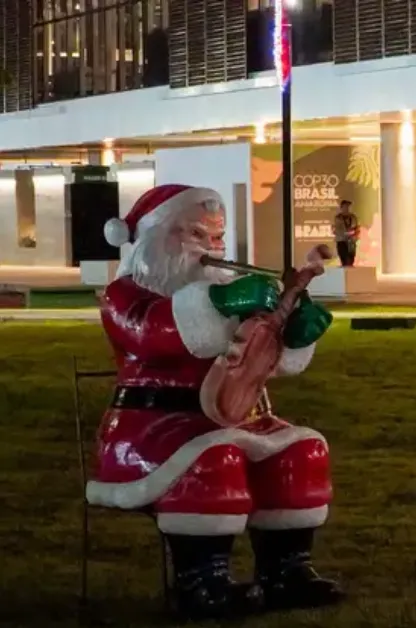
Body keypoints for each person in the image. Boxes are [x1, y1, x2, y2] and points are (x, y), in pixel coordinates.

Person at [93, 184, 343, 619]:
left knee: (303, 450)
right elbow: (156, 333)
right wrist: (221, 303)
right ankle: (201, 580)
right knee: (214, 460)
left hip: (231, 417)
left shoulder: (223, 294)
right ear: (153, 240)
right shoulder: (124, 296)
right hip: (150, 427)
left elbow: (258, 356)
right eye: (195, 236)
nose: (212, 249)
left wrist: (290, 330)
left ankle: (286, 570)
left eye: (218, 237)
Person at [333, 199, 359, 267]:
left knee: (351, 259)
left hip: (351, 241)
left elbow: (357, 228)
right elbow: (336, 230)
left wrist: (355, 234)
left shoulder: (353, 217)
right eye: (345, 206)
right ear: (341, 208)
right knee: (344, 259)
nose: (347, 208)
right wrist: (345, 233)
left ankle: (351, 274)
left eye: (348, 206)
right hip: (341, 241)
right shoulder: (338, 218)